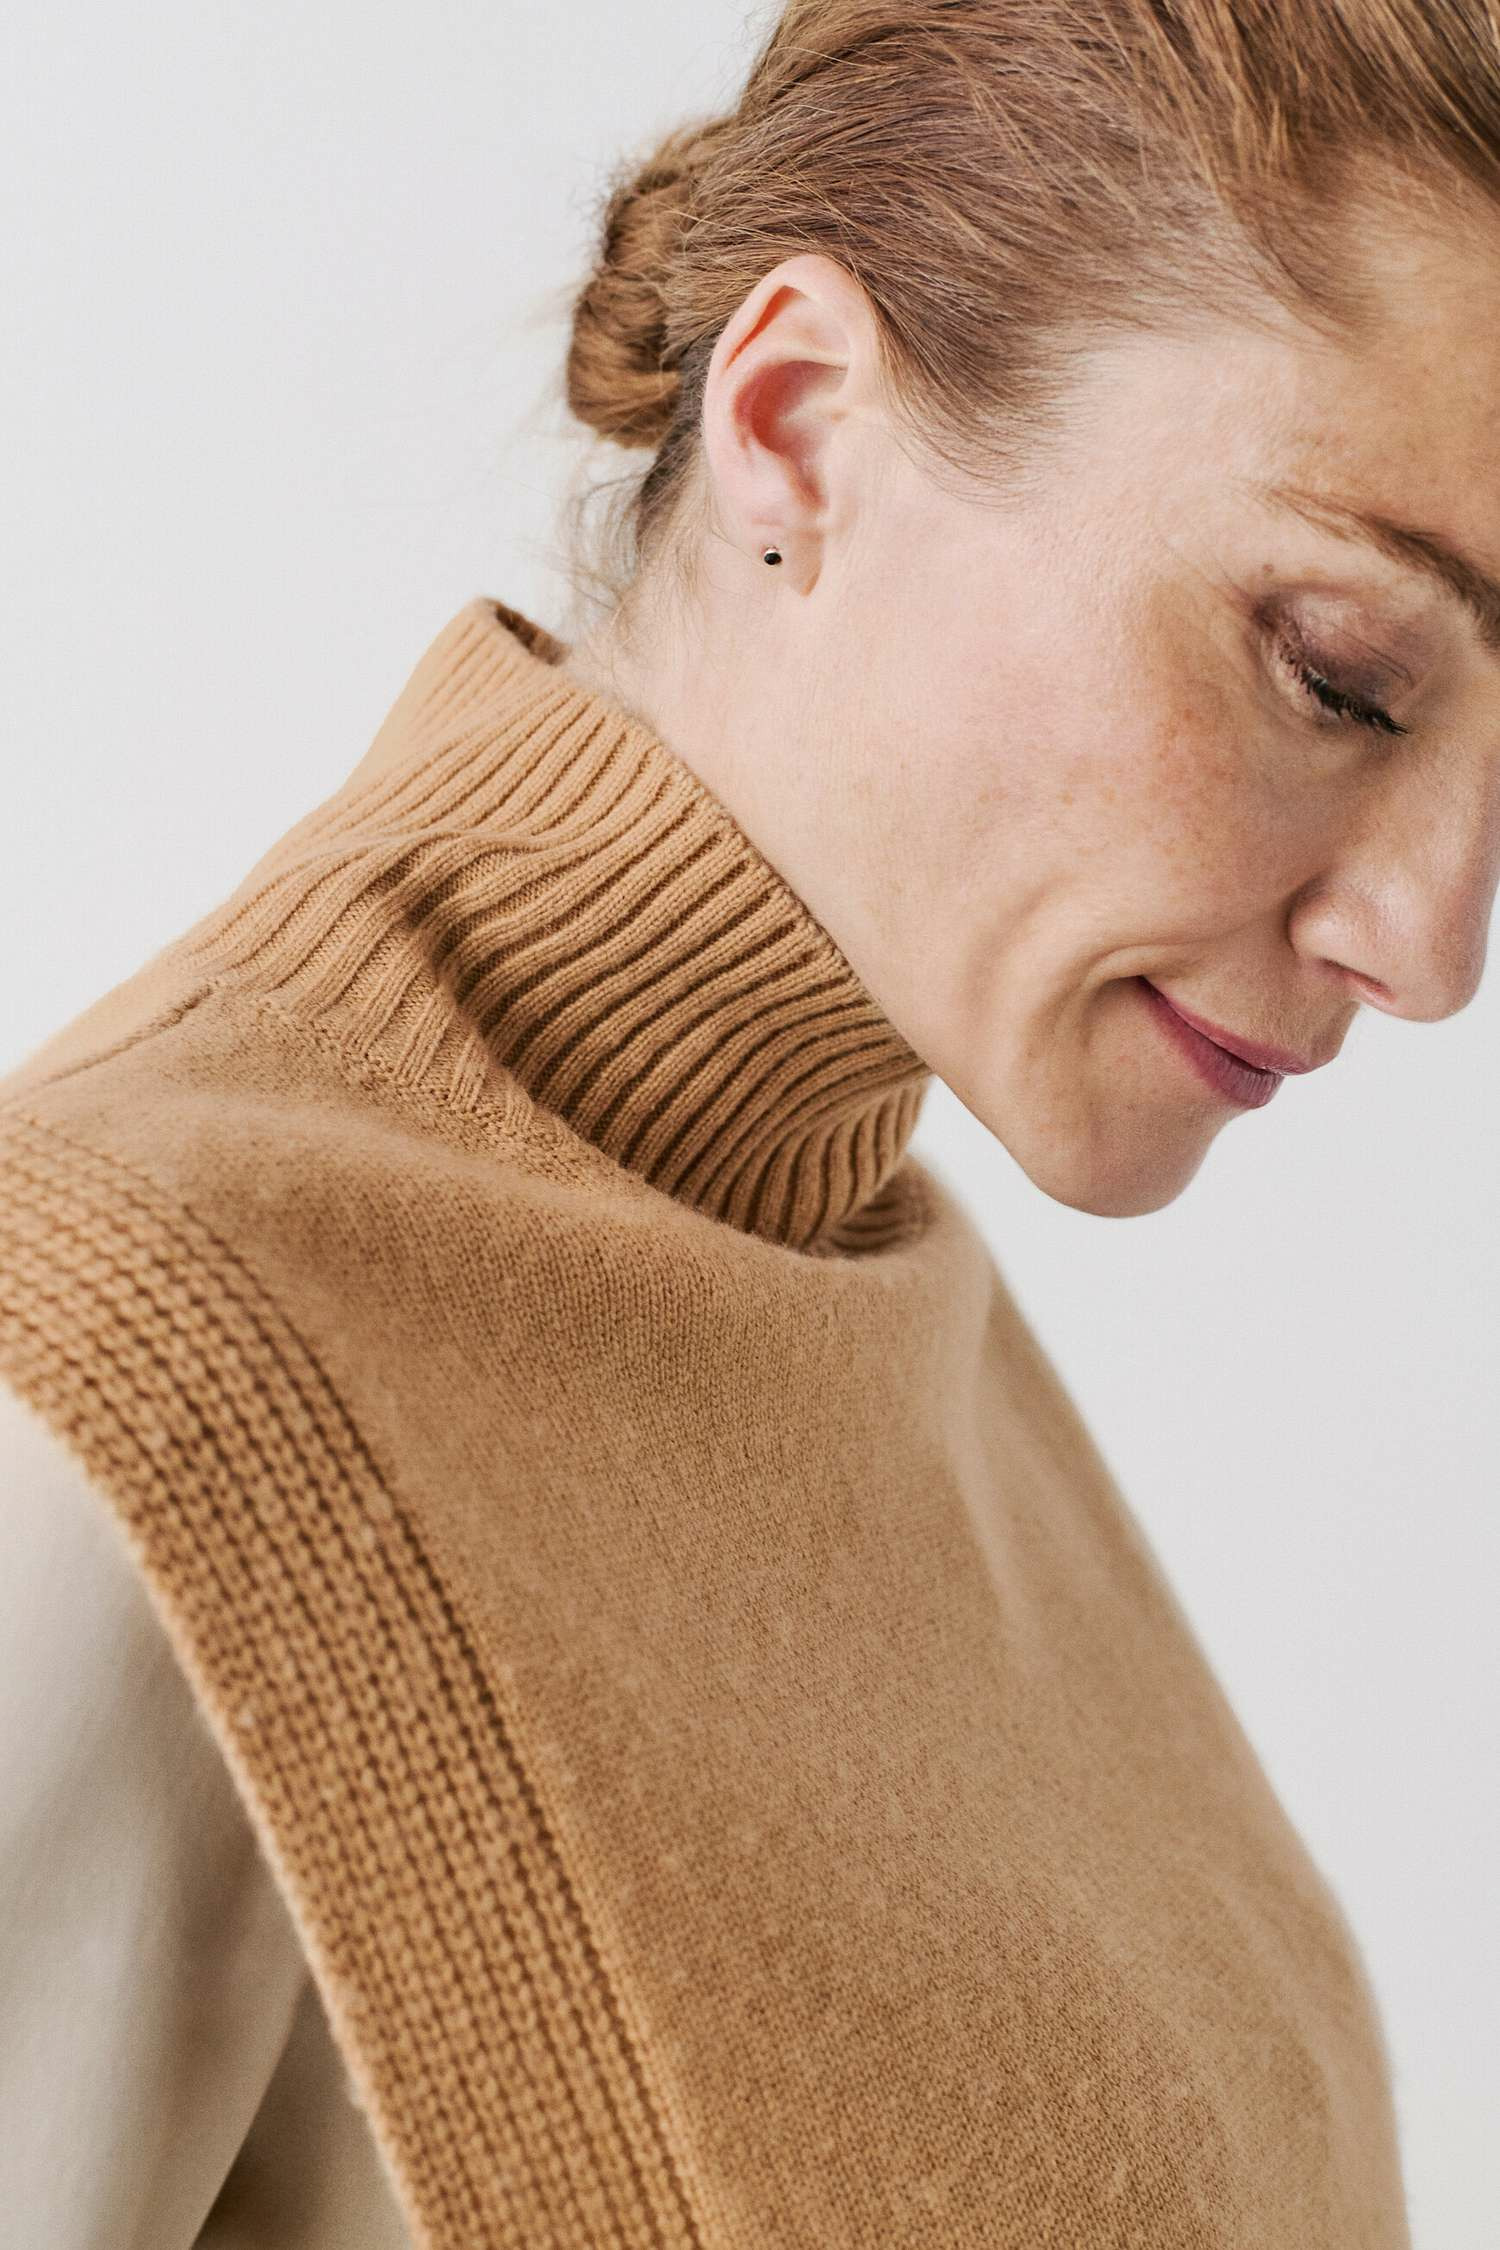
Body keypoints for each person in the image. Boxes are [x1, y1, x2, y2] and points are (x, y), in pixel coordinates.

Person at [6, 0, 1494, 2239]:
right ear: (799, 428)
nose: (1434, 943)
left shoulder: (889, 1322)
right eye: (1343, 680)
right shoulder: (107, 1386)